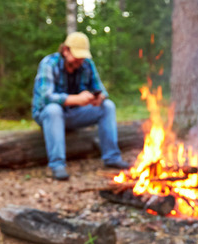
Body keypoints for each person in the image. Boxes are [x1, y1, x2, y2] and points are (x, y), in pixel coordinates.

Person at [32, 32, 130, 181]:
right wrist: (77, 99)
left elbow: (102, 90)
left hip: (75, 114)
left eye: (82, 56)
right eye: (77, 55)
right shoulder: (48, 63)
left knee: (108, 106)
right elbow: (46, 97)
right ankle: (57, 165)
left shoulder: (87, 64)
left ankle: (112, 158)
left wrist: (98, 98)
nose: (80, 60)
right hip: (48, 115)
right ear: (65, 50)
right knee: (53, 110)